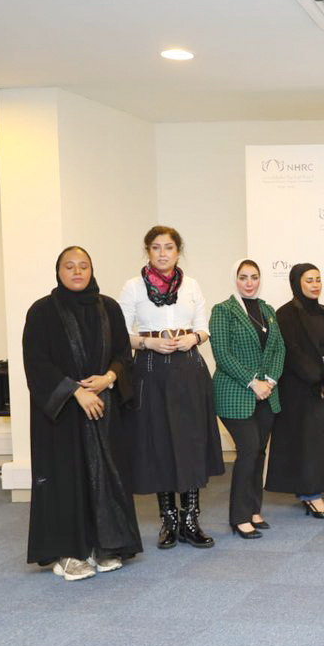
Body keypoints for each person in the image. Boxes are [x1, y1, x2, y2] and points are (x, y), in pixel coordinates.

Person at [23, 246, 142, 581]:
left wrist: (109, 378)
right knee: (67, 480)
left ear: (92, 270)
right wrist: (76, 392)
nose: (77, 272)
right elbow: (37, 363)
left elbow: (123, 353)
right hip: (61, 416)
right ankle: (69, 553)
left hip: (103, 408)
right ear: (58, 271)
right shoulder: (42, 312)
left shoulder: (110, 308)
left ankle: (106, 545)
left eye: (84, 266)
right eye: (69, 266)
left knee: (106, 475)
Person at [119, 226, 223, 549]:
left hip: (188, 367)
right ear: (147, 252)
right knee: (159, 442)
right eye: (155, 247)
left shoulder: (191, 286)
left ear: (178, 251)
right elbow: (119, 333)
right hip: (150, 369)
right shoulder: (133, 287)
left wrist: (193, 338)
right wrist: (148, 342)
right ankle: (169, 520)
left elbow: (203, 327)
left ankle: (191, 518)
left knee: (190, 443)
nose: (162, 253)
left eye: (169, 247)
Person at [209, 259, 285, 538]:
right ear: (235, 280)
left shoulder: (268, 310)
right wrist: (254, 382)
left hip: (267, 394)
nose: (249, 282)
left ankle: (253, 510)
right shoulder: (223, 310)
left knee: (259, 452)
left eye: (254, 277)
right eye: (243, 277)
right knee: (249, 450)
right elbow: (223, 354)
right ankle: (239, 517)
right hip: (235, 393)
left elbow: (279, 350)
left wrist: (271, 381)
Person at [267, 264, 324, 519]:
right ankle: (310, 495)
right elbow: (293, 353)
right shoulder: (286, 314)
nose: (315, 284)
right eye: (309, 280)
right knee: (307, 443)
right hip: (300, 388)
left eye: (318, 279)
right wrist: (318, 379)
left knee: (322, 442)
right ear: (297, 283)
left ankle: (316, 489)